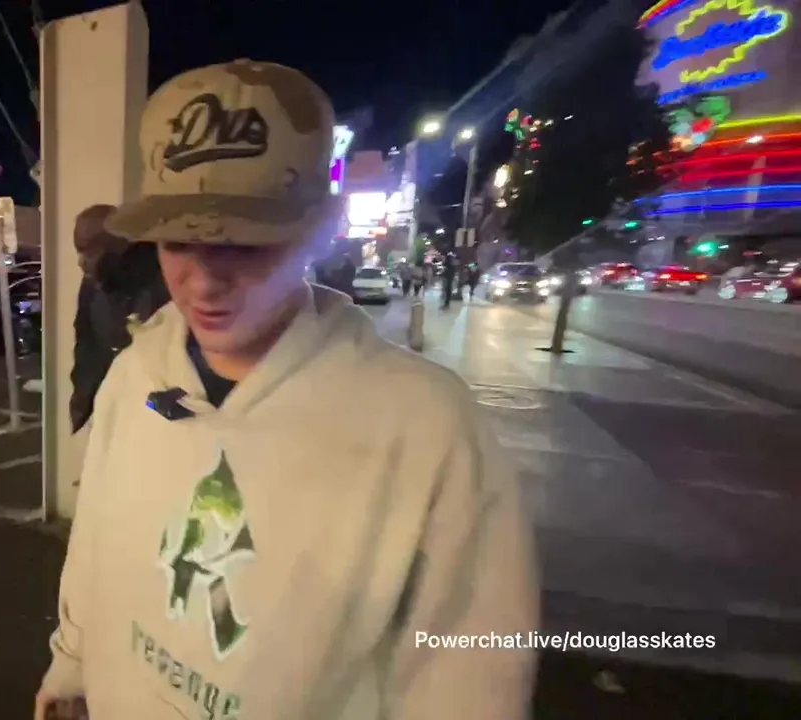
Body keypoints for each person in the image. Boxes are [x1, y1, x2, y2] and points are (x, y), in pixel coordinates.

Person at [37, 59, 537, 720]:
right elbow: (95, 540)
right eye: (178, 240)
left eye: (246, 243)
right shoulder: (136, 374)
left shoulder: (424, 426)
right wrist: (71, 666)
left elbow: (469, 675)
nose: (204, 281)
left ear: (316, 232)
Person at [69, 205, 170, 434]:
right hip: (109, 413)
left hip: (154, 419)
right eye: (79, 251)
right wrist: (83, 405)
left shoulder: (161, 281)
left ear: (117, 243)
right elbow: (86, 348)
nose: (81, 262)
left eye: (89, 250)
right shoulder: (92, 286)